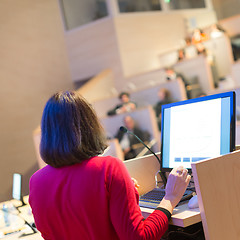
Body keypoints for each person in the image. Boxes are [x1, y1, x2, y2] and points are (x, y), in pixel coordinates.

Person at [29, 91, 191, 240]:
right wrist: (170, 198)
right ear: (89, 126)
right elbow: (139, 237)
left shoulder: (36, 181)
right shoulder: (108, 168)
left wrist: (120, 191)